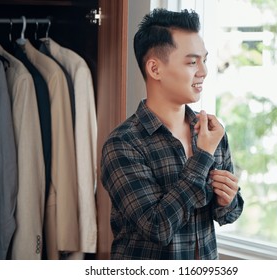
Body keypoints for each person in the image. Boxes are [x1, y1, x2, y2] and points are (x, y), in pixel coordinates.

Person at [101, 8, 244, 260]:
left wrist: (227, 199)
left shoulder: (210, 132)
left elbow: (227, 215)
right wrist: (203, 157)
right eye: (192, 62)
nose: (204, 71)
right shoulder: (122, 144)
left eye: (204, 60)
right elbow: (157, 227)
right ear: (155, 69)